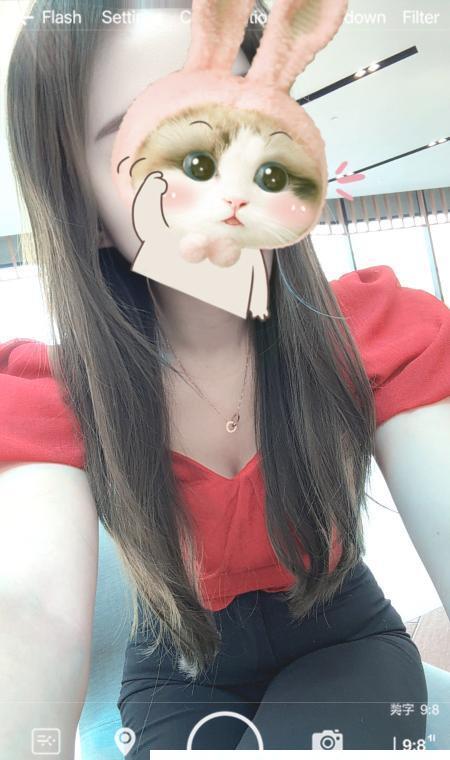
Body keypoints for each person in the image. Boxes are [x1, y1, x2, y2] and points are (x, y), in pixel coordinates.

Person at [2, 2, 450, 757]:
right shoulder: (53, 396)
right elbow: (30, 608)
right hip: (178, 662)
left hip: (339, 631)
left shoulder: (374, 330)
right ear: (85, 209)